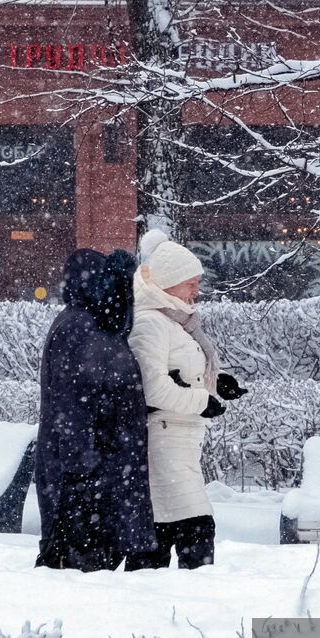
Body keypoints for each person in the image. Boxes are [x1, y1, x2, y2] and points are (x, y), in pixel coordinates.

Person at [126, 230, 247, 570]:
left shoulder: (175, 321)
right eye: (191, 283)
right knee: (193, 530)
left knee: (170, 531)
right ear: (169, 283)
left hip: (180, 438)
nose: (197, 290)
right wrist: (201, 401)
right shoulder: (151, 323)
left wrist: (215, 385)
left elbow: (180, 371)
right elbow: (153, 389)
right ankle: (186, 603)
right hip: (164, 440)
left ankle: (170, 601)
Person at [34, 248, 158, 572]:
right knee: (79, 568)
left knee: (84, 565)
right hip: (86, 474)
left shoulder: (87, 324)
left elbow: (98, 393)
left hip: (93, 470)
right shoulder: (82, 327)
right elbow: (74, 403)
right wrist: (82, 467)